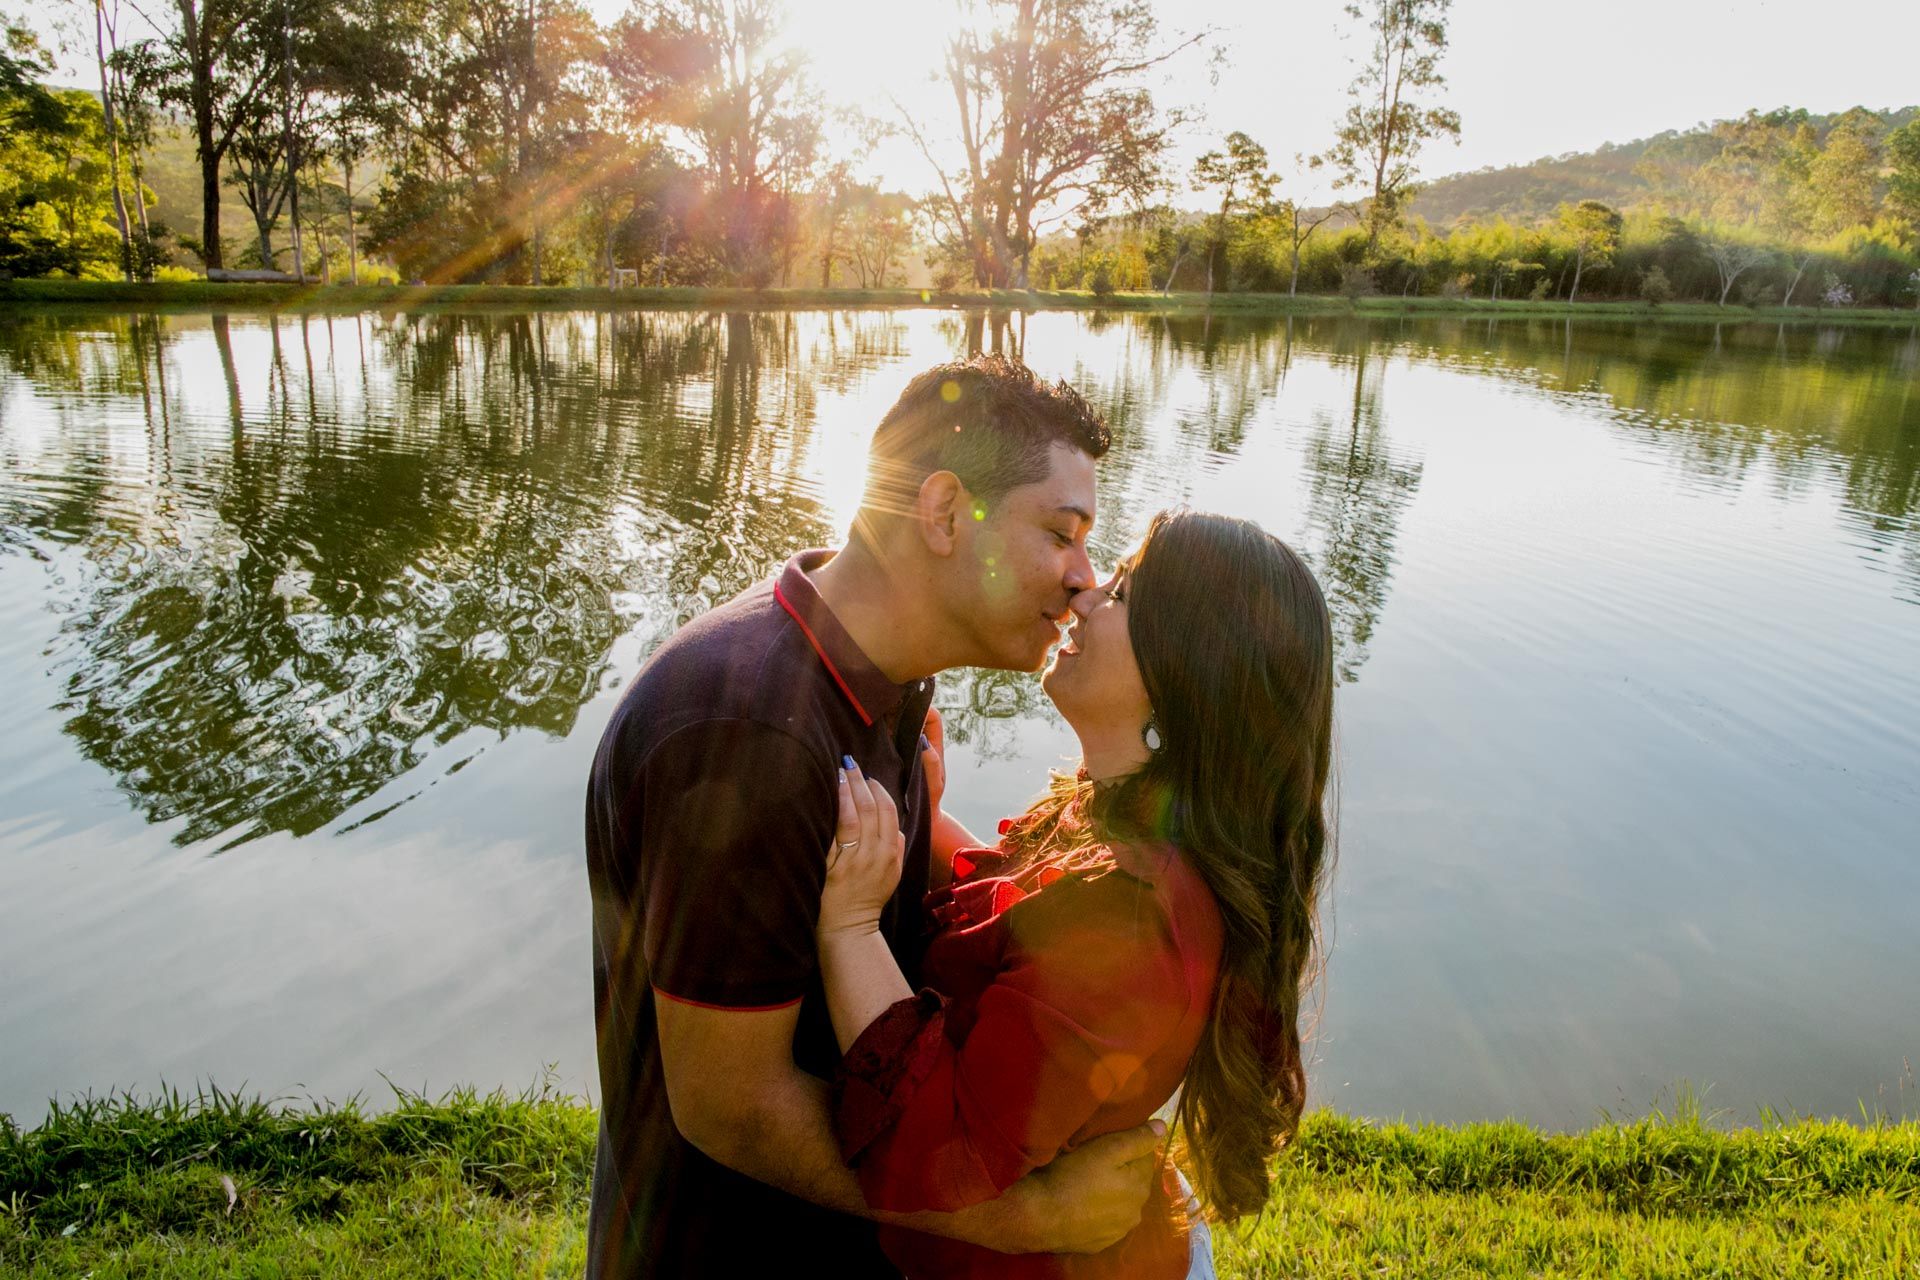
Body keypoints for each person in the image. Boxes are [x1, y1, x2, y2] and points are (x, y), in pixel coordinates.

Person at [583, 355, 1167, 1279]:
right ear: (942, 513)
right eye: (1063, 534)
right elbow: (731, 1102)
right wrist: (1018, 1216)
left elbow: (889, 883)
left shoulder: (879, 676)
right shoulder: (743, 733)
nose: (1084, 581)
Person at [815, 510, 1337, 1279]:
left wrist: (851, 930)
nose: (1086, 591)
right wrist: (923, 819)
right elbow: (1006, 918)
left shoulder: (1130, 917)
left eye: (1124, 592)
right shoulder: (1119, 822)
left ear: (1185, 672)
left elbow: (937, 1154)